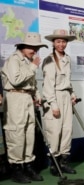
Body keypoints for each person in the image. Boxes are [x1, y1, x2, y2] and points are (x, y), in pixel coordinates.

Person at [1, 32, 47, 183]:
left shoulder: (28, 61)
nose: (35, 50)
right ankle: (17, 169)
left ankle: (28, 166)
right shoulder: (14, 59)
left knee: (29, 133)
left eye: (37, 47)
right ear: (23, 46)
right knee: (16, 133)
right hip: (15, 97)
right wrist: (33, 66)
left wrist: (37, 95)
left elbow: (31, 82)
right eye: (32, 47)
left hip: (27, 97)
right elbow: (15, 80)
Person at [42, 29, 78, 176]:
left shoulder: (67, 58)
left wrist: (72, 94)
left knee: (67, 130)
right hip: (54, 97)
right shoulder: (49, 60)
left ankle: (64, 162)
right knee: (54, 131)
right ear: (53, 43)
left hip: (66, 96)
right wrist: (53, 104)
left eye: (64, 41)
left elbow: (67, 81)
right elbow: (48, 84)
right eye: (58, 41)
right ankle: (54, 164)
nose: (61, 44)